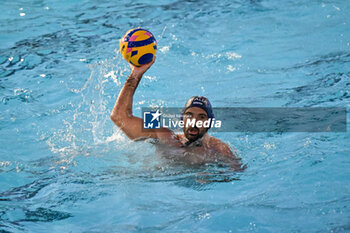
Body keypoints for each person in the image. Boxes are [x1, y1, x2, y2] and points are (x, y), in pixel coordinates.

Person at [110, 57, 244, 170]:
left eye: (201, 117)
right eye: (189, 115)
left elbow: (238, 172)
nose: (194, 121)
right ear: (182, 119)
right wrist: (135, 75)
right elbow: (119, 117)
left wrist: (213, 177)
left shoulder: (219, 149)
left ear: (210, 123)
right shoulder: (163, 135)